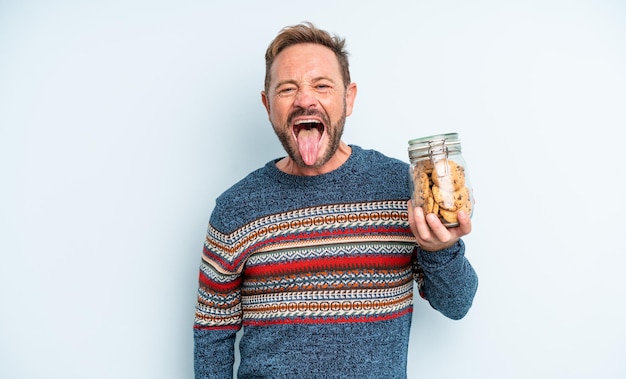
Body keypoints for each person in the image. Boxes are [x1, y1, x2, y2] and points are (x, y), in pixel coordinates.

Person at [193, 22, 478, 379]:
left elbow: (457, 304)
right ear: (267, 105)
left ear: (349, 98)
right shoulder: (236, 208)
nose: (304, 99)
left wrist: (441, 250)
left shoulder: (403, 188)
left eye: (322, 85)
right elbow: (212, 335)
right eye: (286, 89)